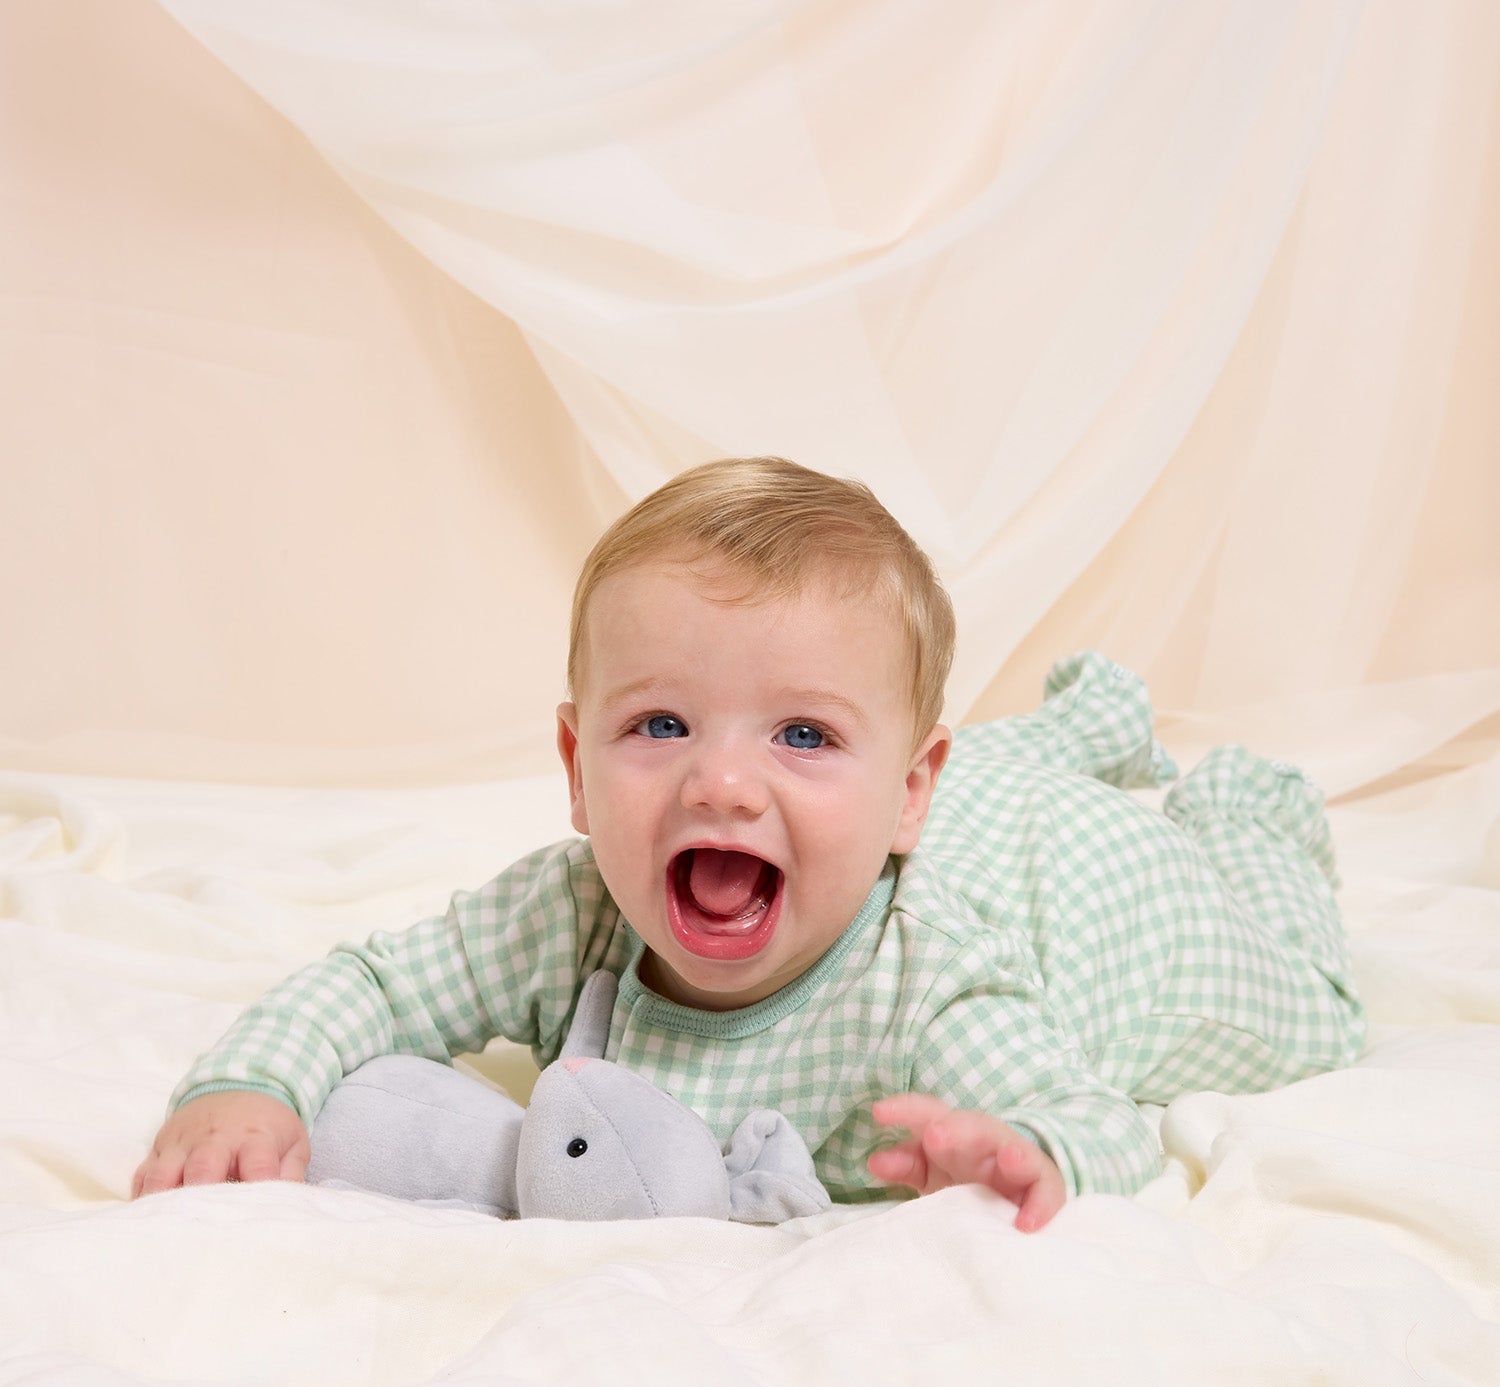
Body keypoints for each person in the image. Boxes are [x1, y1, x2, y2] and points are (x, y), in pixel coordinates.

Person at [132, 457, 1365, 1231]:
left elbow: (1093, 1115)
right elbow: (375, 982)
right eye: (659, 724)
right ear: (574, 767)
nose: (721, 780)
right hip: (934, 804)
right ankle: (1060, 728)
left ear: (904, 799)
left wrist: (1023, 1144)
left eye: (800, 733)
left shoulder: (928, 991)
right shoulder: (573, 911)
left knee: (1311, 1009)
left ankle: (1233, 814)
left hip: (1080, 889)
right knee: (925, 758)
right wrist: (248, 1083)